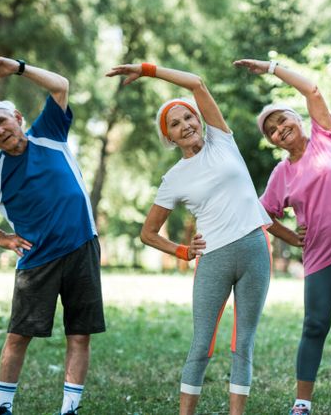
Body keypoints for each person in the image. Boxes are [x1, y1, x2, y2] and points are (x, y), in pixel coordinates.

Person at [105, 62, 272, 415]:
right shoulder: (174, 178)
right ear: (168, 137)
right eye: (175, 125)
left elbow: (196, 82)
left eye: (188, 118)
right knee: (202, 345)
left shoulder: (223, 141)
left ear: (199, 119)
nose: (185, 126)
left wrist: (148, 70)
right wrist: (180, 250)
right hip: (214, 259)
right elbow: (148, 233)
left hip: (256, 248)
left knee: (244, 343)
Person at [235, 58, 331, 415]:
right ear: (273, 141)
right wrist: (292, 237)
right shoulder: (281, 175)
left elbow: (311, 89)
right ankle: (302, 404)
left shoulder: (327, 138)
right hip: (321, 256)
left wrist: (272, 69)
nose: (278, 128)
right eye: (271, 129)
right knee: (315, 324)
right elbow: (261, 215)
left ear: (297, 119)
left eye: (281, 120)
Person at [0, 57, 104, 415]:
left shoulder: (49, 135)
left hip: (83, 247)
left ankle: (69, 408)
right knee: (18, 336)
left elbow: (60, 85)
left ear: (18, 119)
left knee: (79, 334)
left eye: (2, 122)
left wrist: (19, 68)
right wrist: (0, 237)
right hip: (38, 261)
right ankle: (3, 407)